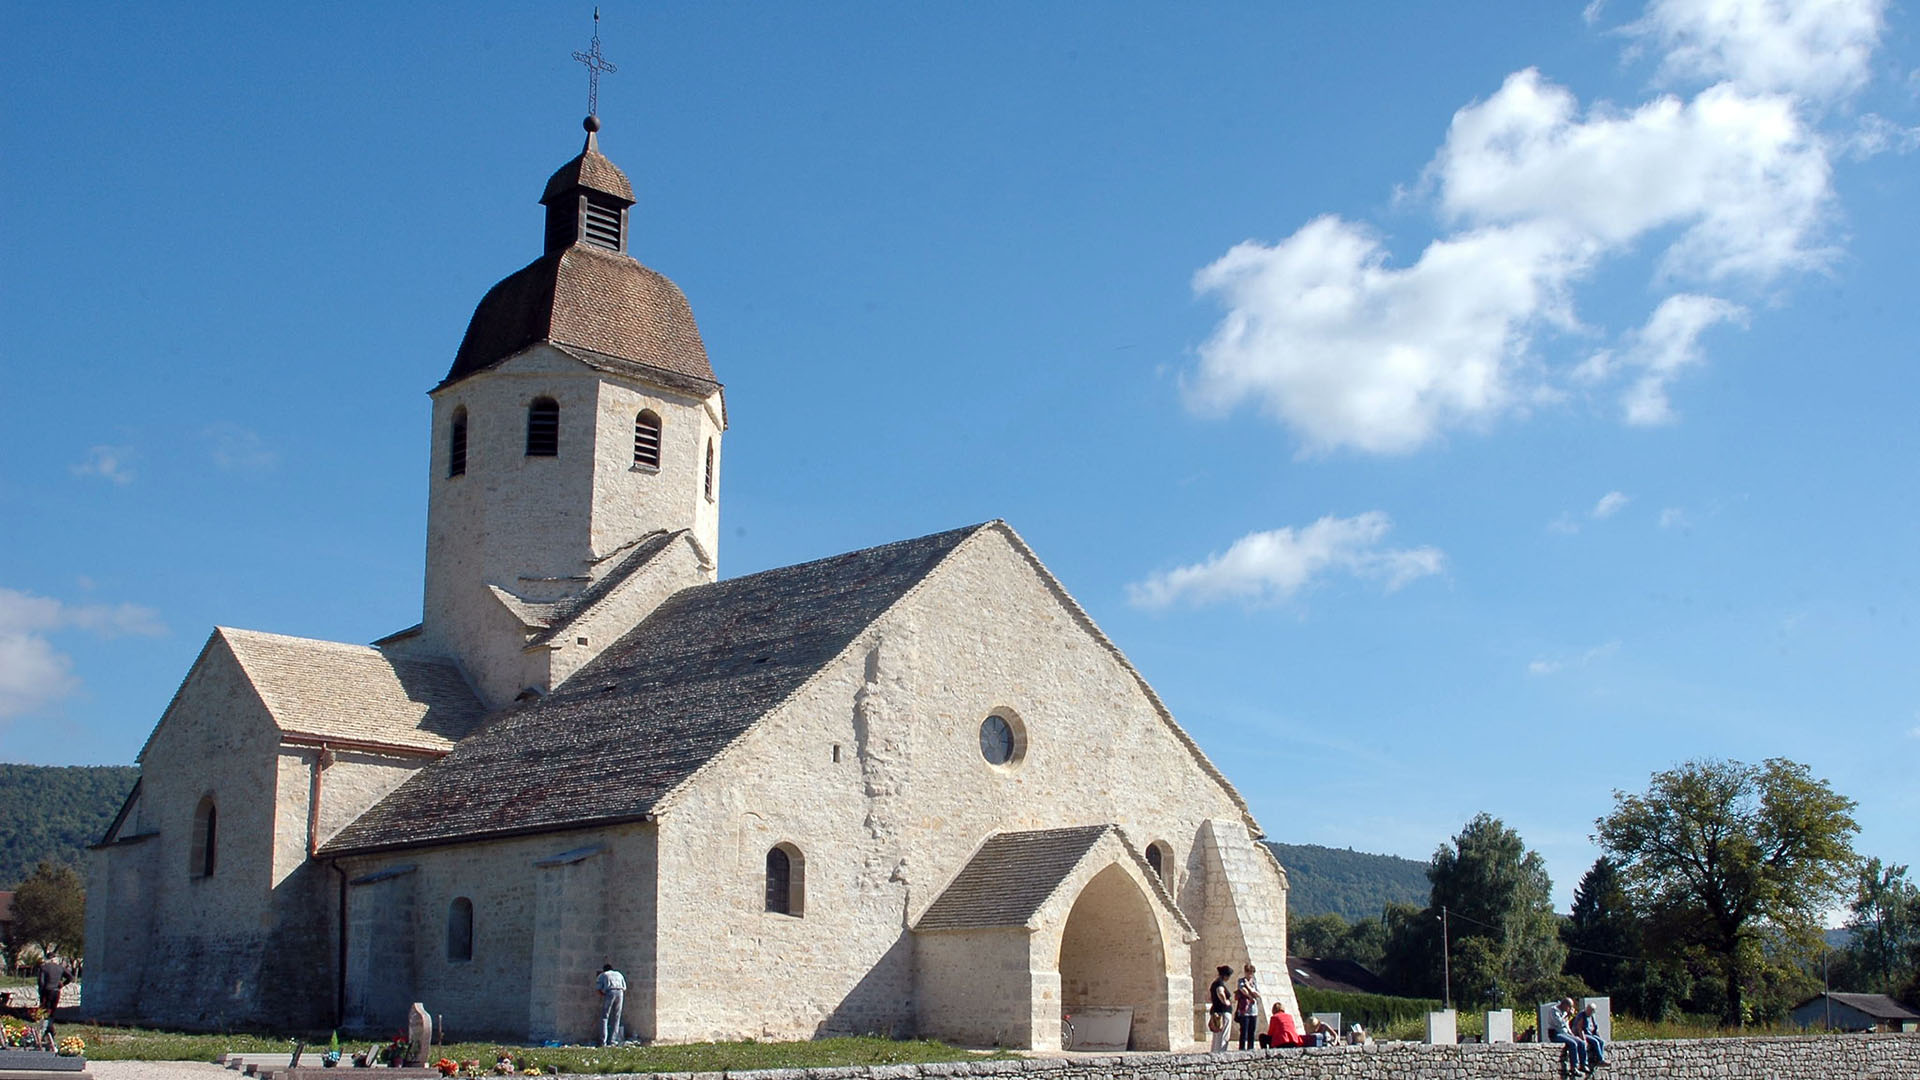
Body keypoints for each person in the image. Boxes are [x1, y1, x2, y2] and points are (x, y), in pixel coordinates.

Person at [1547, 997, 1587, 1073]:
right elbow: (1559, 1023)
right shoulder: (1554, 1010)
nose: (1570, 1009)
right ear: (1564, 1005)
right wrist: (1567, 1015)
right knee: (1573, 1044)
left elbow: (1566, 1024)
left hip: (1565, 1033)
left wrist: (1571, 1034)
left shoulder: (1565, 1012)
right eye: (1569, 1007)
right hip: (1556, 1034)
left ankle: (1583, 1064)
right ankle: (1574, 1067)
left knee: (1580, 1042)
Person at [596, 963, 627, 1046]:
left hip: (610, 992)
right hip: (620, 992)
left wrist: (604, 995)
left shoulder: (603, 975)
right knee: (617, 1017)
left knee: (604, 1017)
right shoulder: (619, 974)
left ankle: (603, 1041)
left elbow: (598, 989)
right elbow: (624, 987)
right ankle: (613, 1040)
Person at [1233, 964, 1262, 1050]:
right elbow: (1243, 990)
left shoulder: (1254, 982)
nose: (1250, 974)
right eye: (1249, 972)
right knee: (1243, 1031)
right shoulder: (1241, 981)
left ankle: (1251, 1048)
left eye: (1252, 973)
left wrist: (1249, 987)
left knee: (1251, 1031)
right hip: (1244, 1010)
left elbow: (1258, 994)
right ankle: (1242, 1048)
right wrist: (1251, 996)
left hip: (1253, 1010)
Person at [1207, 964, 1233, 1052]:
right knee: (1224, 1035)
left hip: (1216, 1011)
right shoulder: (1219, 983)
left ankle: (1215, 1052)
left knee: (1217, 1036)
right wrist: (1225, 1002)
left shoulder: (1214, 983)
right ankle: (1221, 1052)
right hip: (1223, 1011)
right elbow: (1220, 992)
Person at [1574, 1003, 1607, 1072]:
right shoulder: (1582, 1015)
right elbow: (1579, 1028)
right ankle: (1600, 1060)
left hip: (1590, 1033)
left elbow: (1595, 1027)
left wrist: (1598, 1036)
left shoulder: (1592, 1016)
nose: (1589, 1012)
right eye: (1589, 1010)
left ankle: (1598, 1059)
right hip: (1584, 1034)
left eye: (1591, 1010)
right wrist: (1583, 1039)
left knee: (1601, 1042)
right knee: (1595, 1042)